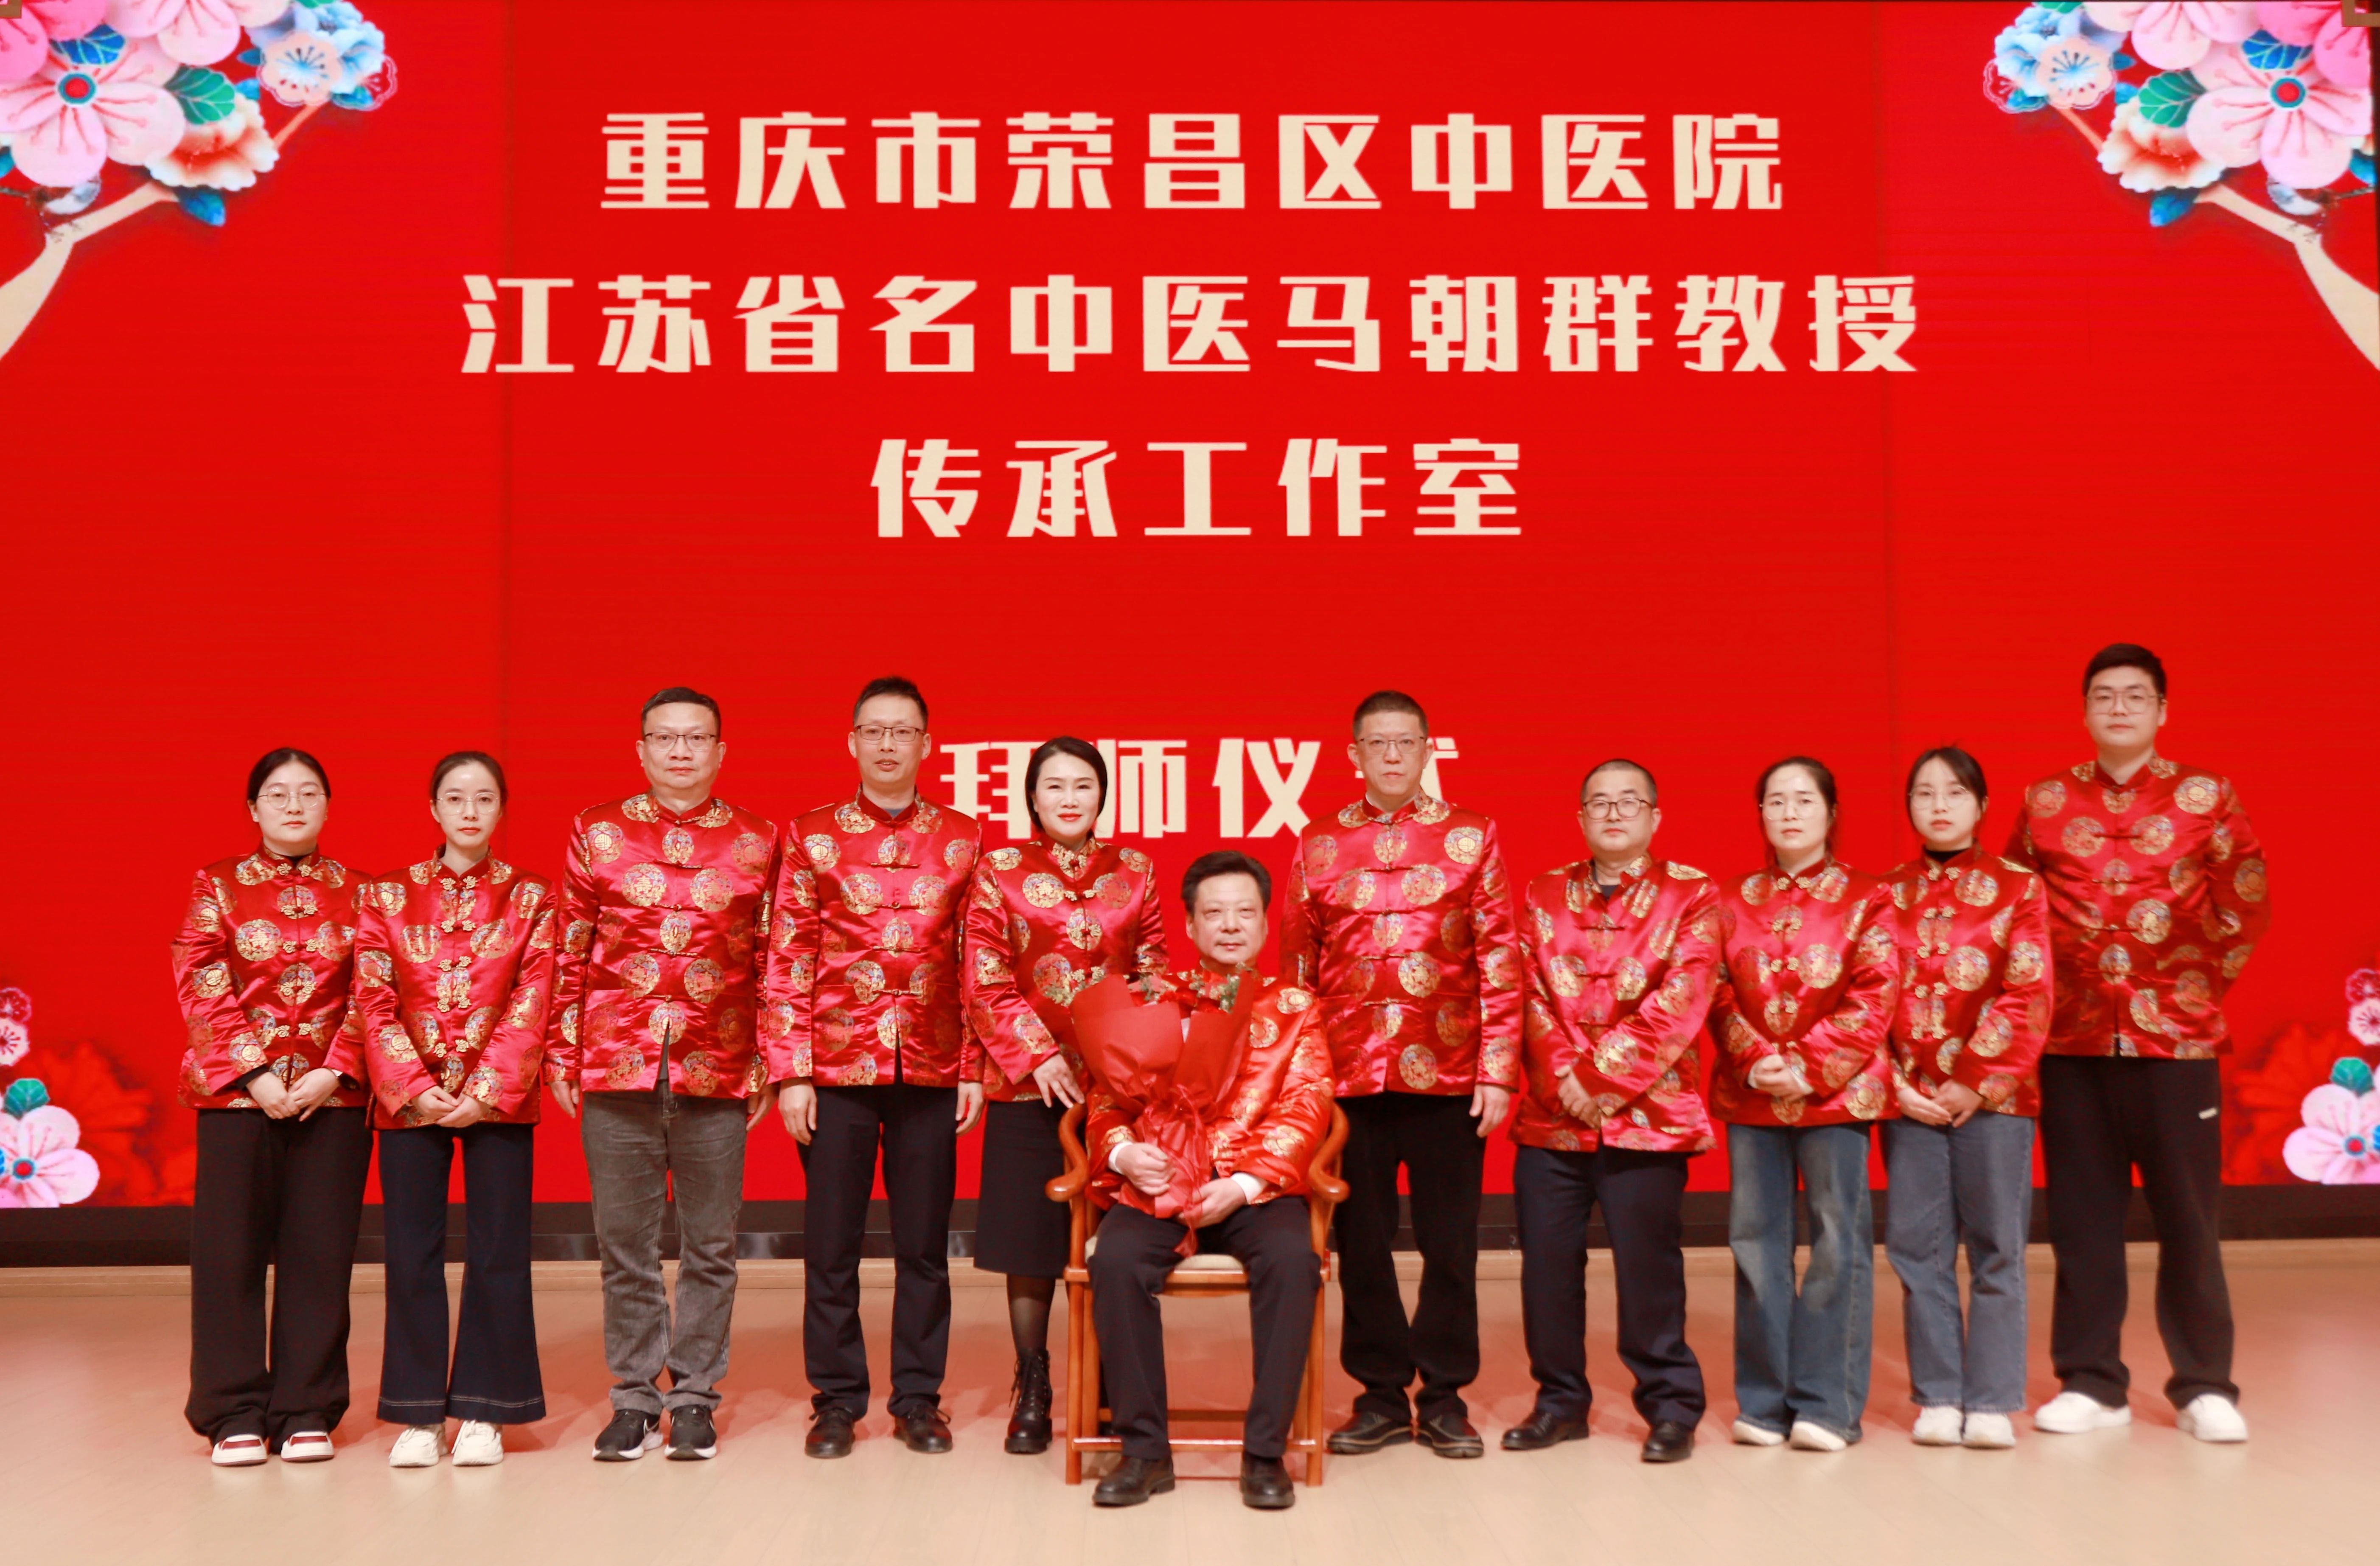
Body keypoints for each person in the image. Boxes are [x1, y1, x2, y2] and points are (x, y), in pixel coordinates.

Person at [2010, 644, 2268, 1444]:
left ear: (2162, 710)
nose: (2118, 707)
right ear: (2084, 710)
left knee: (2188, 1220)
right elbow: (2016, 917)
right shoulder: (2045, 800)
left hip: (2176, 1048)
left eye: (2134, 695)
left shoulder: (2206, 795)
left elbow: (2245, 904)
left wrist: (2192, 993)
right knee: (2082, 1220)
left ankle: (2204, 1384)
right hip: (2072, 1044)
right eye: (2103, 695)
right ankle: (2091, 1381)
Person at [1284, 690, 1522, 1460]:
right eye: (1376, 743)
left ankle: (1446, 1396)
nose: (1391, 755)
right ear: (1353, 754)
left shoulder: (1472, 835)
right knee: (1362, 1242)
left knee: (1451, 1243)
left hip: (1448, 1074)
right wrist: (1300, 1079)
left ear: (1427, 750)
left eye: (1405, 742)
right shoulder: (1318, 842)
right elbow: (1296, 969)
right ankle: (1380, 1395)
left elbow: (1499, 957)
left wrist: (1496, 1069)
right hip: (1348, 1077)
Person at [547, 687, 783, 1463]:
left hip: (719, 1064)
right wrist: (561, 1050)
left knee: (711, 1245)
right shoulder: (597, 831)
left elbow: (774, 958)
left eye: (696, 738)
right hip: (616, 1061)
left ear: (721, 751)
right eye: (665, 738)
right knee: (626, 1246)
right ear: (641, 749)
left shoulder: (758, 838)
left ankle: (694, 1398)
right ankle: (633, 1398)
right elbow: (570, 947)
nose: (681, 751)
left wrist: (769, 1062)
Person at [762, 675, 984, 1459]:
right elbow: (787, 954)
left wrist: (973, 1065)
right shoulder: (811, 835)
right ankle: (836, 1401)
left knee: (924, 1244)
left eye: (904, 731)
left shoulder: (964, 837)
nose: (889, 744)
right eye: (875, 730)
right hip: (834, 1067)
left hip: (931, 1064)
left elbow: (977, 958)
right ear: (852, 740)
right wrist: (791, 1069)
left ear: (928, 743)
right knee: (832, 1243)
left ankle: (918, 1398)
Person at [1087, 851, 1335, 1510]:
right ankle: (1143, 1452)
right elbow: (1107, 1099)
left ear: (1264, 924)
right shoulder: (1152, 997)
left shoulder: (1295, 1006)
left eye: (1244, 912)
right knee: (1114, 1260)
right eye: (1214, 913)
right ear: (1191, 925)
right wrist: (1123, 1154)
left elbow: (1306, 1104)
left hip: (1257, 1187)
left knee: (1293, 1262)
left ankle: (1264, 1452)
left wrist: (1246, 1182)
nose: (1229, 925)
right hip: (1163, 1180)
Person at [1504, 759, 1717, 1464]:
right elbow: (1527, 993)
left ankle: (1670, 1405)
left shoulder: (1691, 894)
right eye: (1599, 802)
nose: (1614, 812)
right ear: (1580, 818)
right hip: (1552, 1117)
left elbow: (1682, 999)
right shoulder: (1542, 892)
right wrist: (1565, 1078)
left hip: (1648, 1120)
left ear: (1655, 816)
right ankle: (1559, 1402)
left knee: (1647, 1269)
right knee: (1547, 1268)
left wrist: (1597, 1077)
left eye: (1629, 801)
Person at [961, 736, 1167, 1455]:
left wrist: (1130, 1052)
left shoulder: (1135, 870)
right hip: (1030, 1084)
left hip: (1119, 1087)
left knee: (1117, 1233)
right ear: (1032, 797)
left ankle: (1111, 1380)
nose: (1069, 798)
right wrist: (1037, 1054)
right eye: (1054, 786)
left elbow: (1155, 968)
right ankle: (1034, 1380)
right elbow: (984, 976)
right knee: (1029, 1238)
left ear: (1102, 794)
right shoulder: (1000, 870)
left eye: (1083, 785)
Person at [349, 752, 555, 1468]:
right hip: (410, 1098)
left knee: (499, 1250)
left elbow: (535, 996)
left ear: (502, 808)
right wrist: (410, 1084)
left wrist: (488, 1089)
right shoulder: (386, 895)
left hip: (498, 1099)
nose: (470, 811)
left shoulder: (533, 896)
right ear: (433, 808)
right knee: (411, 1252)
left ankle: (484, 1410)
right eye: (456, 798)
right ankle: (416, 1414)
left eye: (485, 798)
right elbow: (372, 997)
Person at [171, 748, 371, 1466]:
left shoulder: (363, 892)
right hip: (236, 1100)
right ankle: (232, 1411)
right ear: (252, 808)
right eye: (278, 793)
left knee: (320, 1254)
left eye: (309, 792)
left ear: (328, 806)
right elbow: (200, 979)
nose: (294, 805)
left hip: (332, 1100)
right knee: (229, 1256)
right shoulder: (217, 884)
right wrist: (253, 1074)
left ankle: (306, 1406)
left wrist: (333, 1070)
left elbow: (377, 991)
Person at [1708, 756, 1900, 1452]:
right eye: (1775, 801)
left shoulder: (1870, 897)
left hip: (1836, 1095)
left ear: (1830, 812)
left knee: (1836, 1242)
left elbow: (1875, 991)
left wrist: (1808, 1065)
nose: (1789, 813)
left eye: (1803, 800)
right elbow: (1716, 988)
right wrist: (1754, 1058)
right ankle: (1763, 1404)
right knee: (1754, 1244)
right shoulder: (1729, 899)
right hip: (1753, 1092)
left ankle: (1828, 1404)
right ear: (1759, 812)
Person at [1879, 746, 2052, 1450]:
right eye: (1923, 793)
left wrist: (1976, 1078)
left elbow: (2028, 988)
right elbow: (1866, 996)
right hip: (1910, 1100)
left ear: (1981, 805)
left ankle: (1991, 1399)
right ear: (1909, 808)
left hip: (1995, 1099)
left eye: (1954, 792)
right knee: (1916, 1249)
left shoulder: (2019, 887)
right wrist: (1894, 1083)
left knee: (1996, 1248)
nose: (1939, 805)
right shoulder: (1883, 893)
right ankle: (1938, 1394)